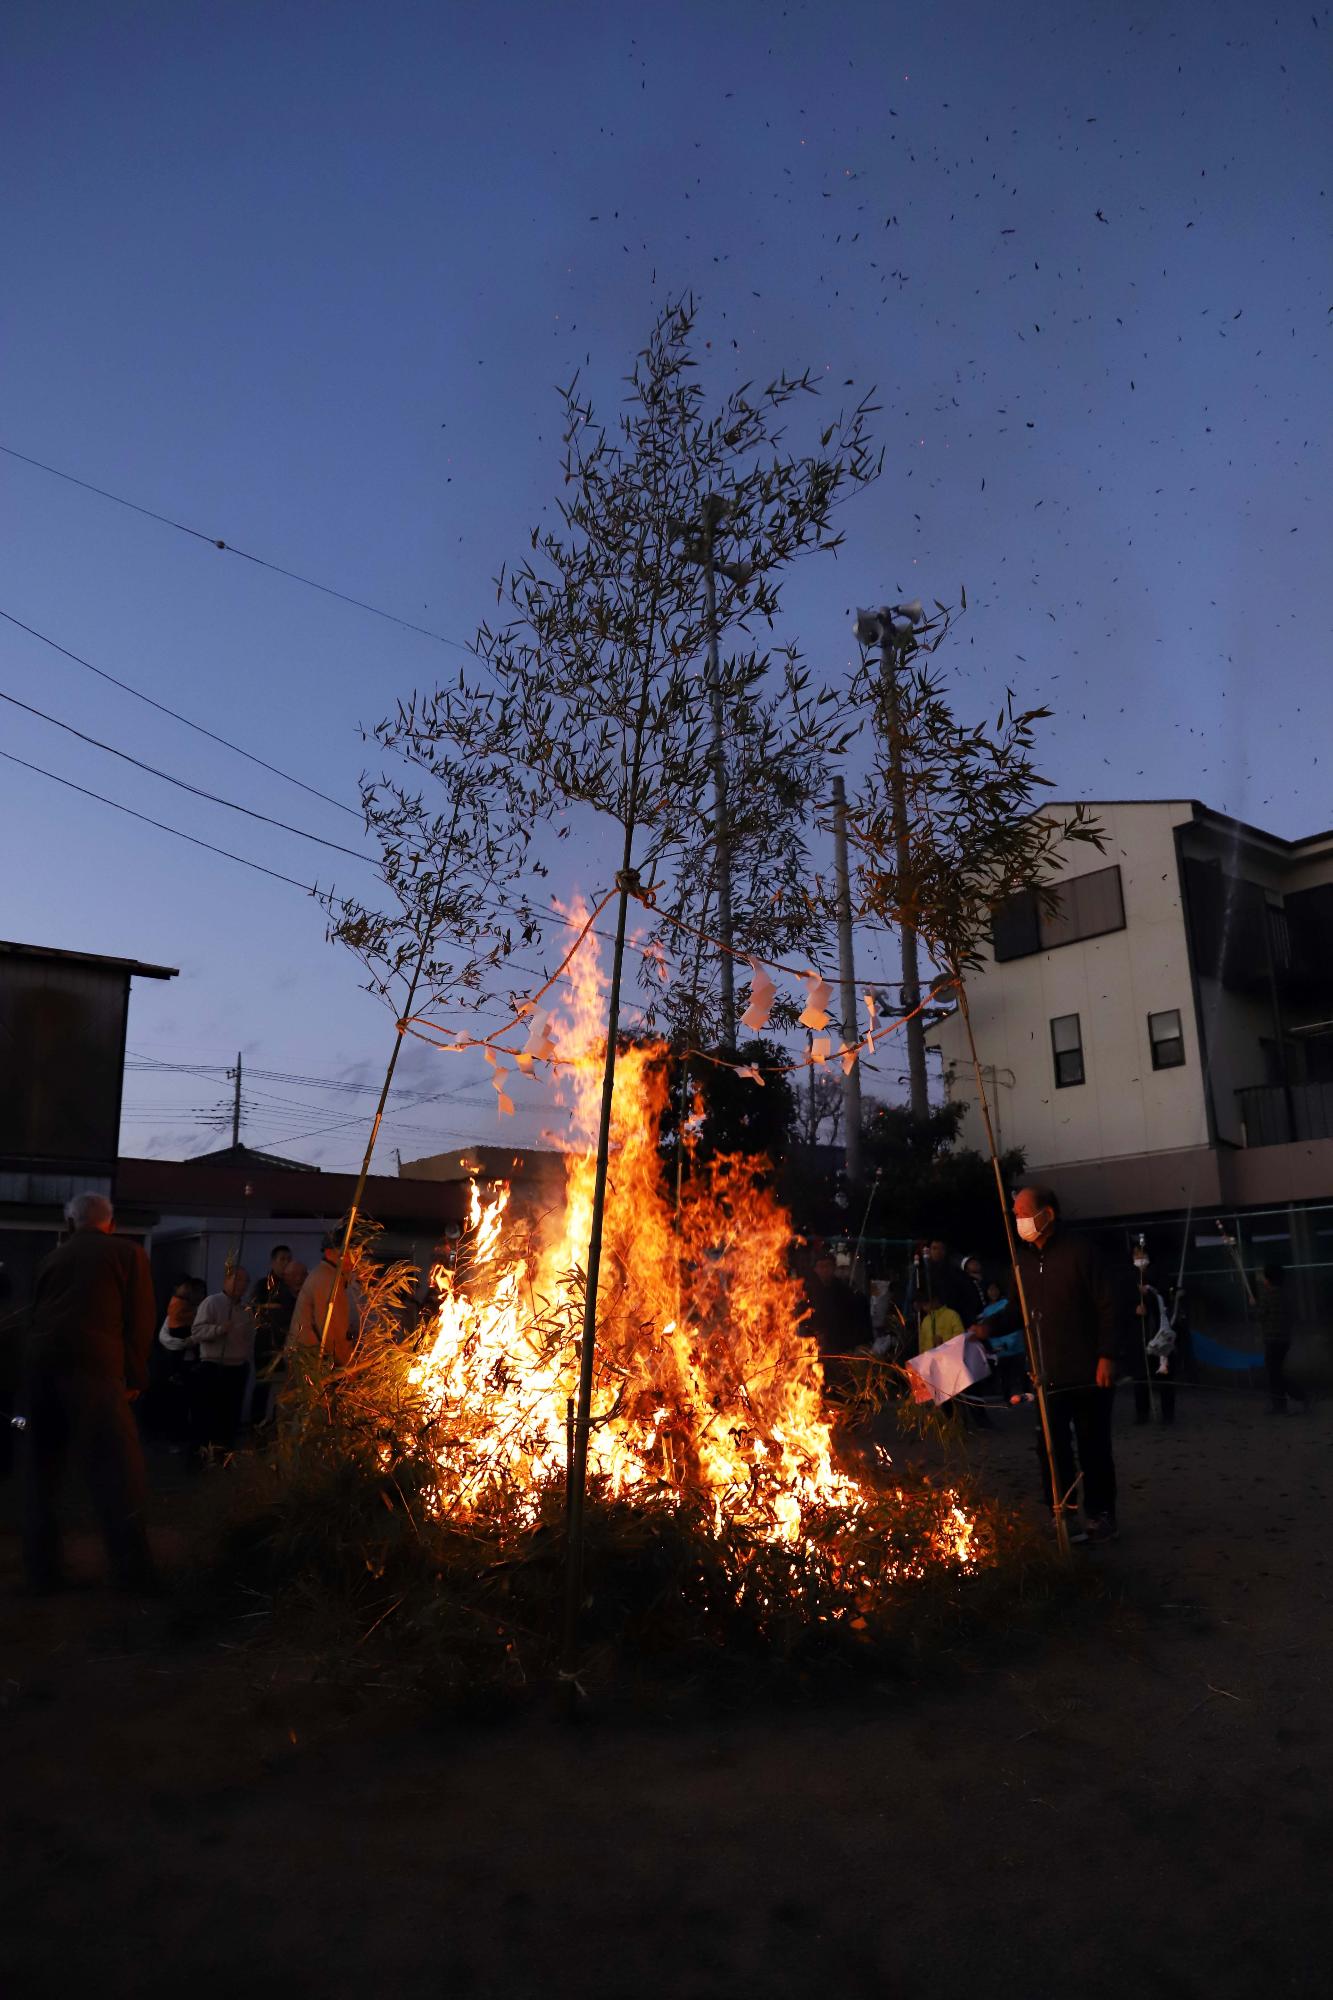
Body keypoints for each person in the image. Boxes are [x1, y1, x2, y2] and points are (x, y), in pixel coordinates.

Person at [17, 1191, 157, 1593]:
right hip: (95, 1372)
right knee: (118, 1473)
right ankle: (132, 1575)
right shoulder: (127, 1255)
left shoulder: (51, 1258)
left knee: (42, 1474)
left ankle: (41, 1574)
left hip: (42, 1372)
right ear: (110, 1223)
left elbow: (35, 1315)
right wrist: (133, 1378)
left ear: (71, 1223)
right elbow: (140, 1320)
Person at [982, 1185, 1119, 1543]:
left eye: (1024, 1212)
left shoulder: (1081, 1252)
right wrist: (986, 1328)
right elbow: (1016, 1310)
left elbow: (1109, 1305)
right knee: (1050, 1448)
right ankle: (1062, 1513)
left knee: (1094, 1446)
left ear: (1048, 1214)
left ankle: (1102, 1515)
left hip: (1089, 1370)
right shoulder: (1023, 1261)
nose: (1019, 1220)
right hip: (1045, 1372)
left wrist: (1107, 1355)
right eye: (1015, 1214)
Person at [186, 1266, 255, 1454]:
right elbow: (197, 1332)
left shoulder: (245, 1309)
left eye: (245, 1281)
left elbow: (248, 1338)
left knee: (230, 1416)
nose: (242, 1285)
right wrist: (218, 1330)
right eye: (238, 1279)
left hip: (237, 1367)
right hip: (214, 1365)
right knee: (207, 1416)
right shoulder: (212, 1303)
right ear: (227, 1280)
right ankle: (202, 1456)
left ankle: (225, 1455)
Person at [288, 1233, 362, 1367]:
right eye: (349, 1253)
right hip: (311, 1363)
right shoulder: (328, 1279)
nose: (353, 1260)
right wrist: (349, 1365)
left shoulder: (326, 1275)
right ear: (329, 1253)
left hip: (307, 1358)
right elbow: (332, 1330)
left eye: (356, 1254)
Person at [1129, 1250, 1177, 1425]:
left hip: (1159, 1334)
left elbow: (1164, 1299)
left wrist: (1148, 1295)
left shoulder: (1160, 1275)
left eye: (1142, 1256)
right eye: (1136, 1256)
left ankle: (1167, 1415)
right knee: (1141, 1377)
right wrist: (1135, 1308)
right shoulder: (1130, 1278)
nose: (1139, 1260)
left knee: (1164, 1376)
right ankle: (1142, 1414)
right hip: (1140, 1337)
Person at [249, 1244, 295, 1424]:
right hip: (266, 1342)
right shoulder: (264, 1285)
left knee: (283, 1387)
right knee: (263, 1384)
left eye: (288, 1259)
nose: (285, 1263)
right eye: (282, 1259)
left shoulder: (291, 1286)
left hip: (286, 1342)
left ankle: (278, 1423)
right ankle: (257, 1423)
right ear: (273, 1261)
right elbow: (257, 1311)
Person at [1255, 1264, 1303, 1415]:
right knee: (1276, 1372)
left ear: (1268, 1279)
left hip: (1272, 1339)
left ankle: (1295, 1397)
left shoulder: (1268, 1295)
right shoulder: (1285, 1294)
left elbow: (1261, 1316)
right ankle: (1280, 1404)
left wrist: (1254, 1306)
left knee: (1274, 1373)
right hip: (1284, 1339)